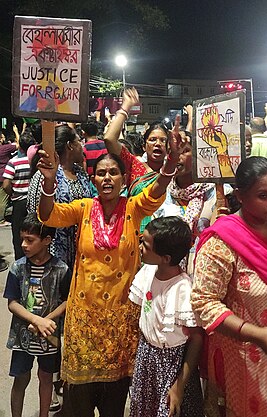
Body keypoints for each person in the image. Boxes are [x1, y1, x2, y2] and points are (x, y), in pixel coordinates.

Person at [36, 102, 181, 417]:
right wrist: (49, 182)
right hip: (84, 323)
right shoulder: (83, 208)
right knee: (80, 406)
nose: (106, 178)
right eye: (100, 173)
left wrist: (169, 163)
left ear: (122, 176)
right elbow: (48, 215)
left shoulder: (133, 208)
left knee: (115, 403)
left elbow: (156, 191)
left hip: (121, 324)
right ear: (95, 177)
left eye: (113, 172)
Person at [191, 156, 267, 416]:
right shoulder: (222, 242)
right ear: (239, 195)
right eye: (263, 196)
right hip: (246, 357)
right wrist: (259, 335)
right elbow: (203, 302)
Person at [129, 217, 204, 417]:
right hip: (147, 357)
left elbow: (196, 338)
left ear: (166, 258)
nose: (140, 247)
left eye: (145, 244)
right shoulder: (148, 272)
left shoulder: (183, 289)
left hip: (172, 363)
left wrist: (179, 386)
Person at [3, 213, 71, 417]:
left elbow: (68, 300)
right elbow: (12, 303)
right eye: (22, 238)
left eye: (30, 240)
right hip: (22, 336)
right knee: (20, 379)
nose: (24, 244)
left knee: (46, 378)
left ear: (47, 241)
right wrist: (35, 320)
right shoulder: (17, 267)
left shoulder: (61, 269)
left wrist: (46, 320)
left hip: (48, 337)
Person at [27, 124, 92, 271]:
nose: (82, 145)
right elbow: (35, 218)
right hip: (52, 256)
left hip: (80, 254)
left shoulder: (80, 173)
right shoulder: (43, 176)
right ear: (70, 146)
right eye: (79, 141)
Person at [3, 131, 36, 259]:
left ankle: (20, 260)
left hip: (19, 202)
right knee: (34, 232)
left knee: (18, 234)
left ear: (20, 146)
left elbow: (6, 184)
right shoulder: (35, 161)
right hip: (33, 201)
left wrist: (12, 194)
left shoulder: (14, 162)